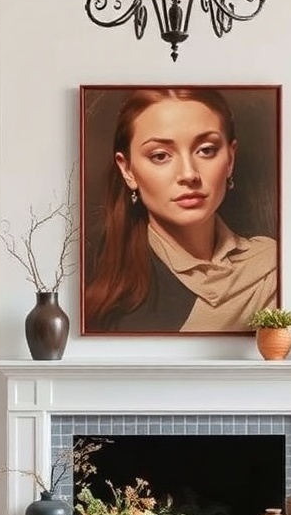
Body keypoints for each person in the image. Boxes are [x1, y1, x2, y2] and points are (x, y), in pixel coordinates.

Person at [83, 87, 278, 333]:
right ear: (127, 170)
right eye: (160, 155)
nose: (188, 174)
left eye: (206, 150)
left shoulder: (272, 267)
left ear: (230, 159)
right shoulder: (101, 300)